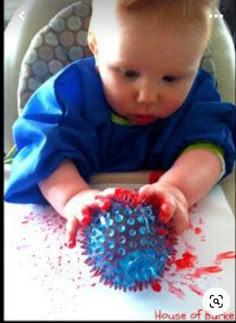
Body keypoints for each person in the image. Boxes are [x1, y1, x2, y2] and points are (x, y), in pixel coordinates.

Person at [4, 0, 235, 248]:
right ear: (96, 49)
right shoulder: (67, 96)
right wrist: (74, 197)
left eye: (171, 78)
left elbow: (210, 148)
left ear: (196, 61)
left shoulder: (197, 99)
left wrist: (177, 189)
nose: (147, 95)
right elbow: (44, 153)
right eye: (129, 73)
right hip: (82, 206)